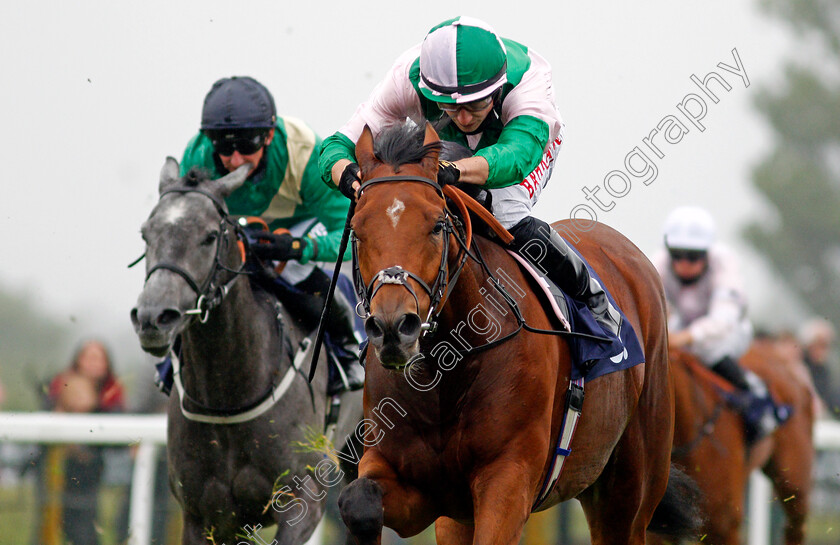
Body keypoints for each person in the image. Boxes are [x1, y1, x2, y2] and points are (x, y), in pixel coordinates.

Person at [319, 15, 620, 337]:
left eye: (475, 104)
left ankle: (593, 301)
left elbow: (517, 156)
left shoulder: (529, 83)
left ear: (497, 87)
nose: (462, 116)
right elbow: (335, 146)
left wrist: (455, 170)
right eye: (449, 105)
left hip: (516, 143)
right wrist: (349, 177)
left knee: (505, 213)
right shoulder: (405, 78)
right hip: (441, 145)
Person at [179, 75, 364, 395]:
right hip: (233, 227)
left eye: (246, 145)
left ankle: (347, 348)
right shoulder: (196, 158)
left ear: (268, 135)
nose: (235, 160)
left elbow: (353, 237)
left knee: (290, 265)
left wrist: (300, 247)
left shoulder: (305, 152)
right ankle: (173, 359)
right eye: (224, 146)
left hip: (298, 226)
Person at [655, 206, 778, 443]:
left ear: (707, 254)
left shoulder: (725, 263)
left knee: (707, 349)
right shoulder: (657, 262)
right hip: (685, 324)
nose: (684, 263)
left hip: (730, 331)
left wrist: (681, 338)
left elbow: (723, 319)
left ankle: (756, 394)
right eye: (677, 255)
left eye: (693, 256)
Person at [37, 340, 126, 545]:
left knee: (85, 525)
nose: (93, 364)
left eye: (99, 358)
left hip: (92, 472)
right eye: (89, 357)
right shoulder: (60, 384)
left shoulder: (113, 393)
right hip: (57, 470)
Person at [799, 318, 839, 418]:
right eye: (820, 344)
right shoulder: (798, 363)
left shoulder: (823, 371)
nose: (822, 350)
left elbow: (829, 398)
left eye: (826, 346)